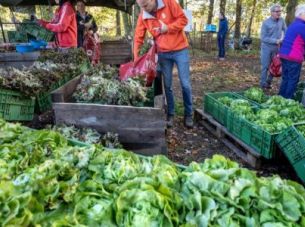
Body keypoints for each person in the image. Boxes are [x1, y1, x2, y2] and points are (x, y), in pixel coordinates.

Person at [134, 0, 193, 128]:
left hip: (180, 49)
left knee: (185, 84)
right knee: (167, 85)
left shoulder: (169, 3)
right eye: (141, 6)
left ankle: (189, 114)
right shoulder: (143, 16)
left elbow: (183, 20)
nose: (145, 9)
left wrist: (168, 28)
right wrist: (136, 59)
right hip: (163, 54)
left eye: (146, 5)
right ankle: (171, 113)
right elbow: (138, 38)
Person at [278, 4, 305, 99]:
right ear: (301, 14)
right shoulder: (302, 26)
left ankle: (280, 98)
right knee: (292, 80)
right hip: (293, 57)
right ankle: (287, 101)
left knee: (286, 79)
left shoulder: (293, 24)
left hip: (284, 55)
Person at [260, 4, 286, 89]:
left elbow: (286, 30)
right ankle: (262, 84)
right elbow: (263, 38)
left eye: (280, 11)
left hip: (277, 48)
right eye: (277, 11)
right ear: (272, 12)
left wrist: (284, 39)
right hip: (266, 48)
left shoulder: (281, 20)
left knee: (275, 65)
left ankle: (268, 82)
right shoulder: (266, 23)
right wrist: (275, 40)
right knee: (265, 66)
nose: (279, 13)